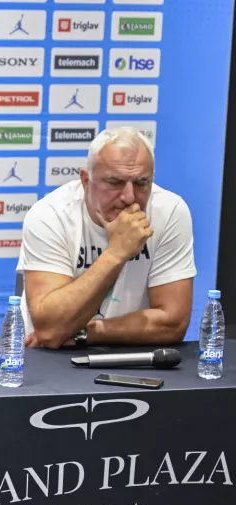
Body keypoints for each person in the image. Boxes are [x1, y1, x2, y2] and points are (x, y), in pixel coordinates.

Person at [17, 126, 196, 349]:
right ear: (85, 181)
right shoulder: (50, 214)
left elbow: (172, 323)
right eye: (115, 182)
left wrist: (87, 333)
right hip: (44, 360)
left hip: (127, 353)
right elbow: (50, 329)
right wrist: (116, 253)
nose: (130, 197)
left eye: (141, 183)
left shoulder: (169, 211)